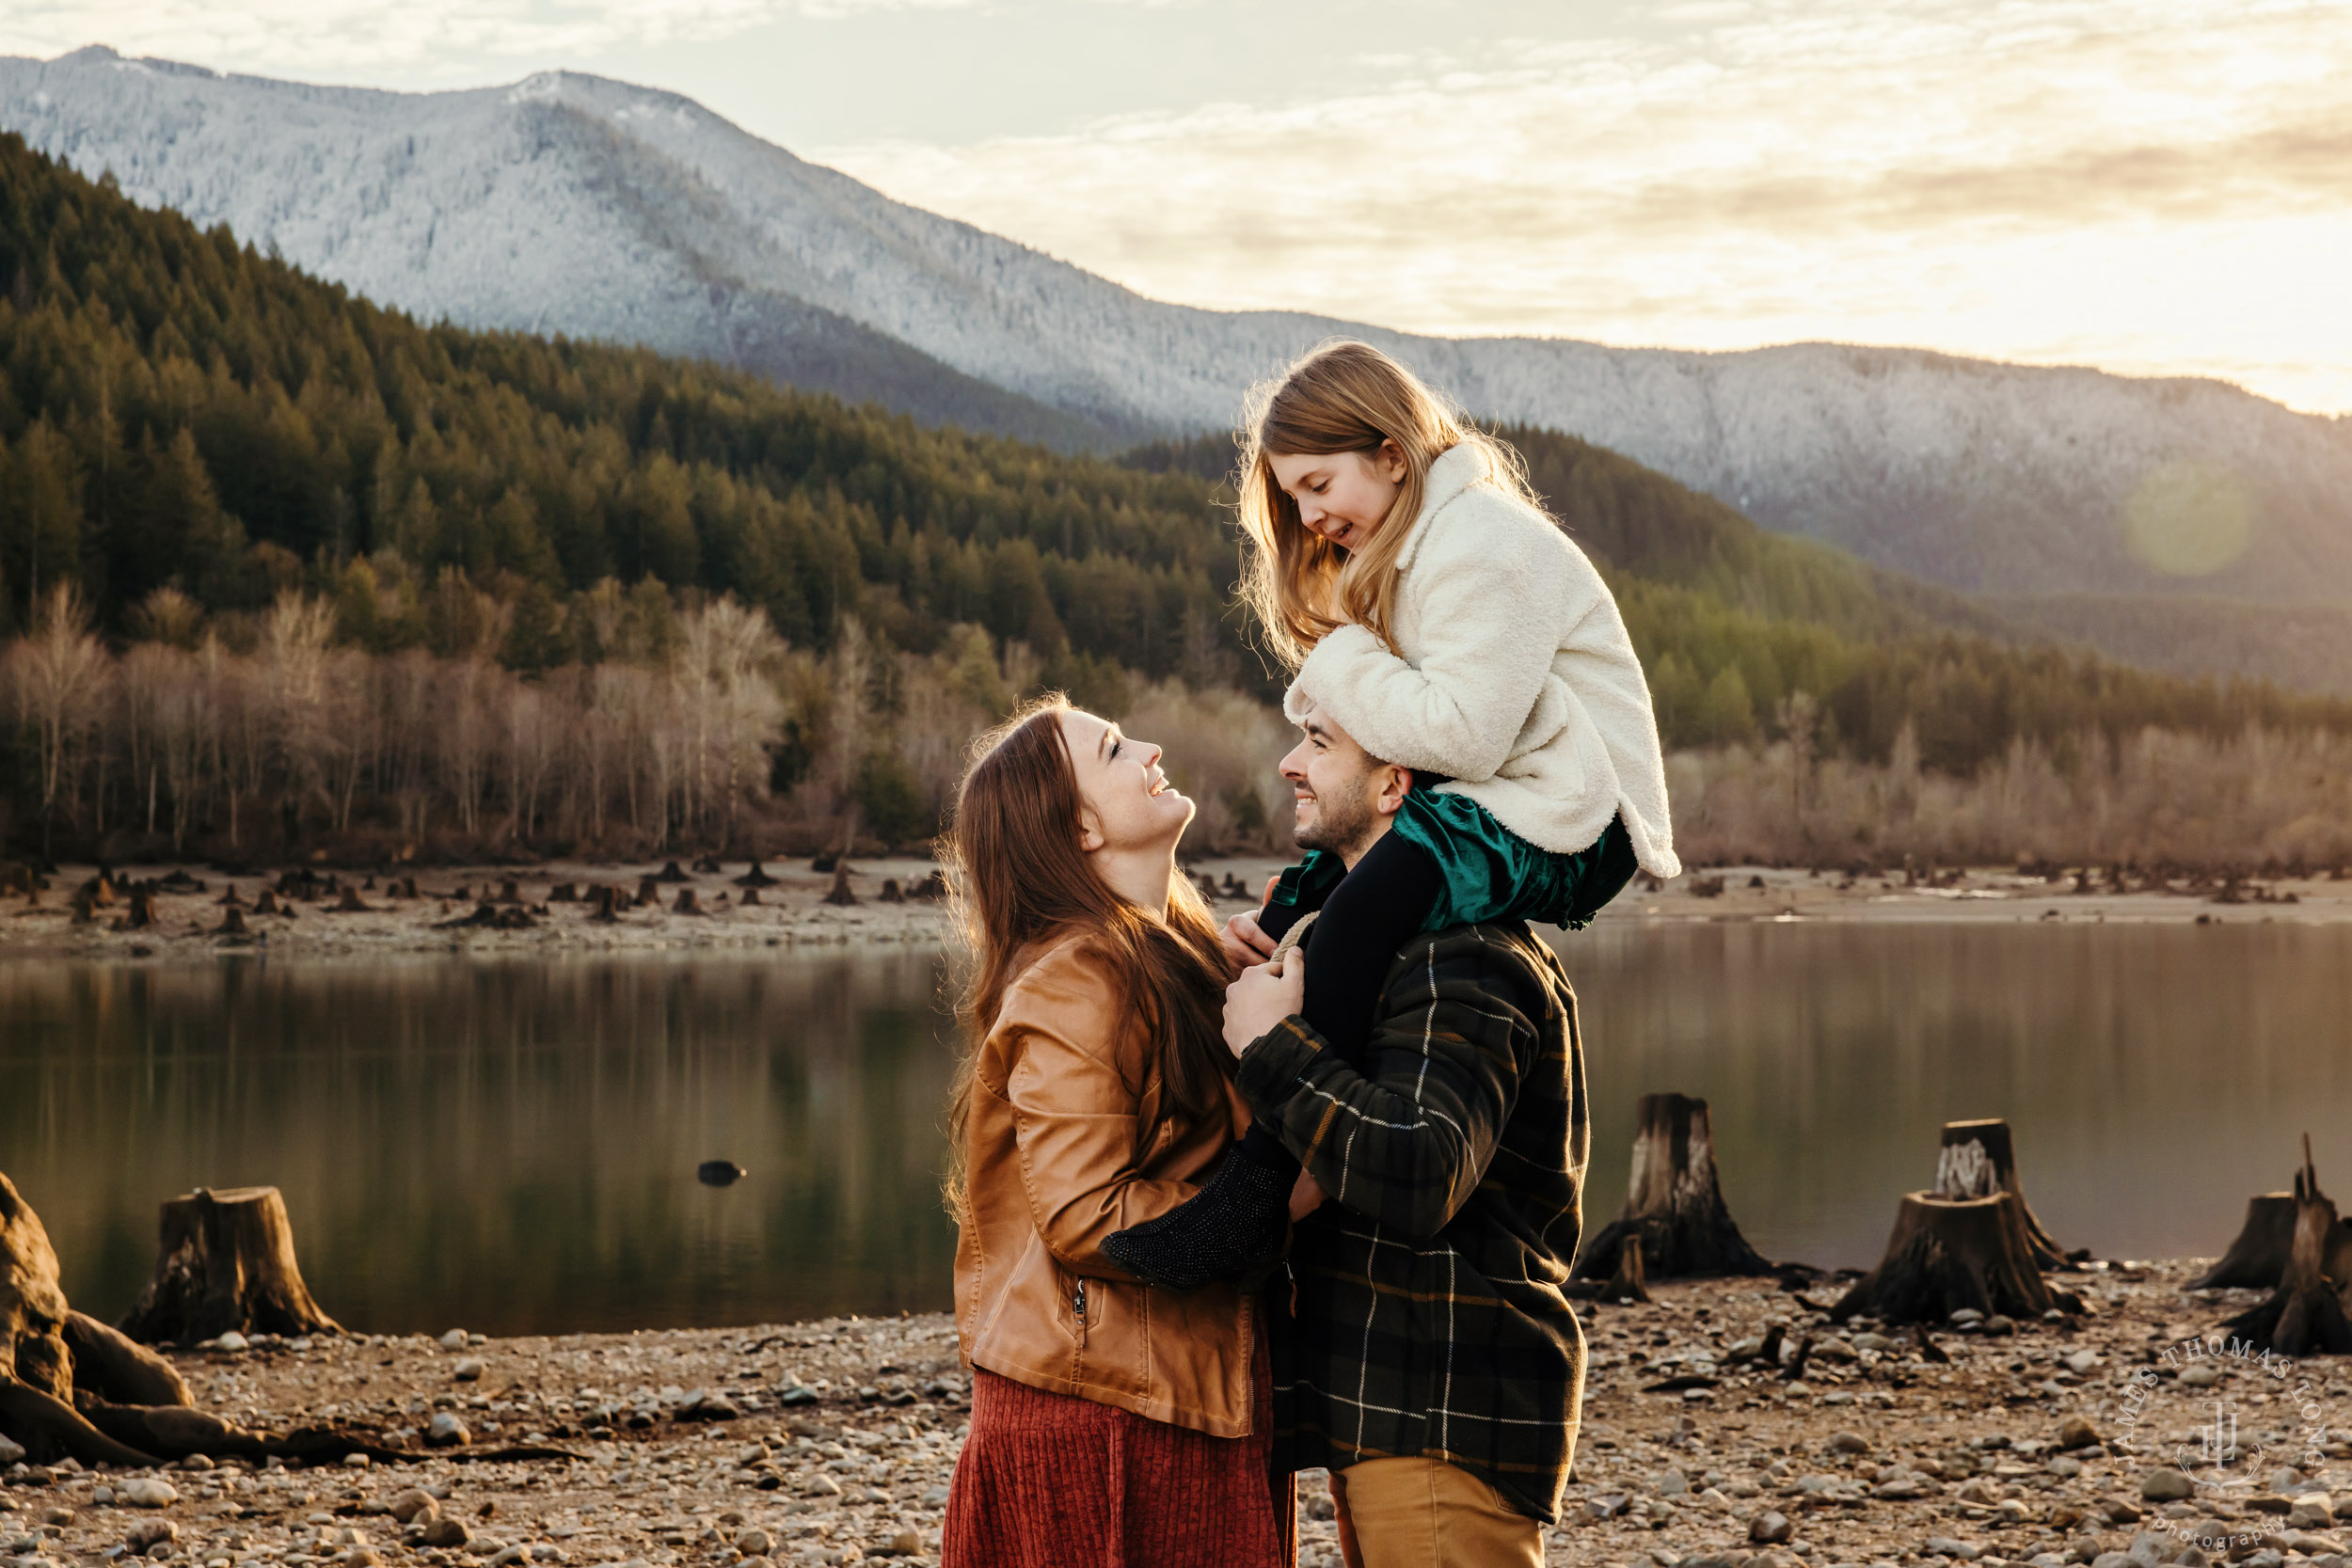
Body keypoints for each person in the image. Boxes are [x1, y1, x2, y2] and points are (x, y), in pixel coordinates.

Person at [1104, 337, 1678, 1291]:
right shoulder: (1421, 547)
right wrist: (1286, 923)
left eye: (1318, 483)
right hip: (1512, 786)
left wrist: (1339, 653)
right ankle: (1219, 1136)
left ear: (1392, 455)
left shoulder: (1484, 544)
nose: (1309, 513)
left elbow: (1459, 735)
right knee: (1308, 897)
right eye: (1290, 498)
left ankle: (1262, 1187)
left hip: (1577, 811)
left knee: (1366, 910)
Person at [937, 696, 1292, 1568]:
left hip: (1174, 1395)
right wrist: (1277, 1106)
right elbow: (1093, 1217)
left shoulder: (1175, 951)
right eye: (1114, 747)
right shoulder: (1079, 974)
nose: (1151, 745)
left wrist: (1266, 972)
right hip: (1106, 1422)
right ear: (1081, 826)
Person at [1239, 701, 1592, 1568]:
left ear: (1396, 785)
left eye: (1320, 744)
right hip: (1396, 1407)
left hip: (1444, 1411)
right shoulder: (1393, 948)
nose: (1291, 762)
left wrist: (1268, 1046)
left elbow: (1420, 1167)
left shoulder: (1462, 951)